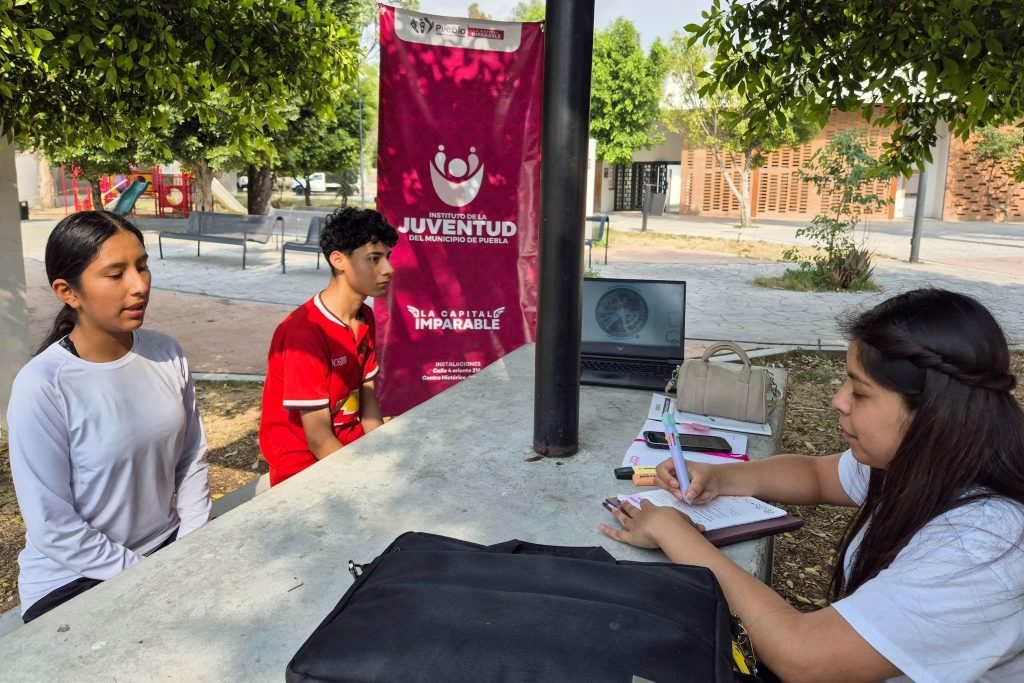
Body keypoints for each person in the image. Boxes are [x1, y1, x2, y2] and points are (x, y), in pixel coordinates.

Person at [601, 288, 1024, 682]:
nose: (838, 400)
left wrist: (675, 532)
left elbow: (802, 656)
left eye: (859, 391)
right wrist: (720, 476)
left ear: (932, 411)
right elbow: (818, 475)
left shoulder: (984, 546)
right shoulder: (928, 461)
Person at [7, 211, 211, 623]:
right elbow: (53, 525)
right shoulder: (43, 385)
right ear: (69, 292)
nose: (139, 286)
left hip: (165, 546)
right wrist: (147, 575)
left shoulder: (166, 352)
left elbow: (191, 459)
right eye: (115, 274)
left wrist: (192, 544)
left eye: (142, 266)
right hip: (74, 578)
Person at [259, 207, 398, 486]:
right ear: (339, 260)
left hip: (350, 451)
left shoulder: (364, 316)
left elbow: (368, 402)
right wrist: (369, 482)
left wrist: (383, 459)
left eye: (387, 257)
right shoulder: (304, 334)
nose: (388, 269)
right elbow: (319, 440)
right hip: (304, 471)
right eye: (374, 259)